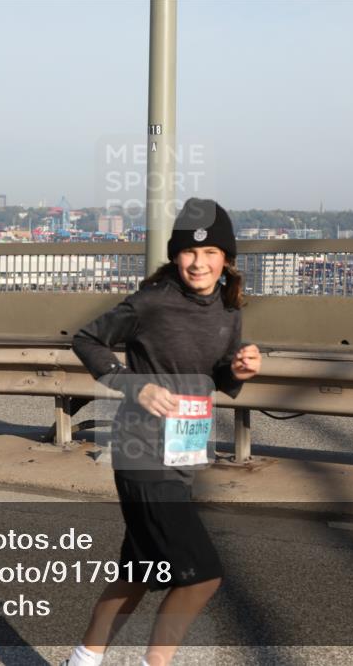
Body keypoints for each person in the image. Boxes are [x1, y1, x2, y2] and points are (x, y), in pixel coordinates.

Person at [67, 199, 262, 666]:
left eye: (211, 253)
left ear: (226, 260)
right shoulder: (151, 303)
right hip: (140, 451)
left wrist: (240, 368)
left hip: (185, 452)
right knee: (201, 575)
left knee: (138, 571)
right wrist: (134, 385)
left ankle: (82, 661)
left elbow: (216, 373)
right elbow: (86, 340)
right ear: (176, 256)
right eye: (189, 253)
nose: (199, 263)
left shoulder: (229, 310)